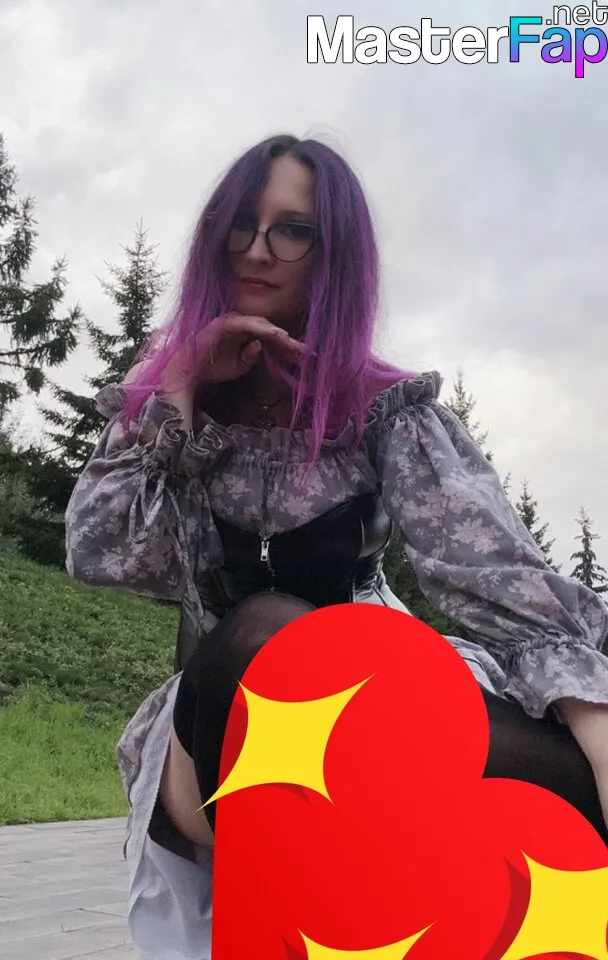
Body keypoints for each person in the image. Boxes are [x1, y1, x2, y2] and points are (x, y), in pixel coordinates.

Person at [65, 134, 608, 960]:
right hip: (215, 727)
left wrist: (588, 719)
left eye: (293, 229)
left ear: (335, 254)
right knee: (268, 629)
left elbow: (496, 578)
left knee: (551, 774)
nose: (256, 248)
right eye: (241, 222)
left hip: (379, 704)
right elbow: (103, 552)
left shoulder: (385, 410)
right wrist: (175, 393)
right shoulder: (165, 401)